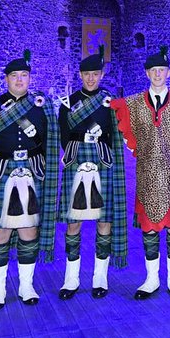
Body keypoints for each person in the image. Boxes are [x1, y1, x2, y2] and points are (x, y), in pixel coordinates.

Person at [0, 50, 60, 309]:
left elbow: (50, 141)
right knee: (0, 230)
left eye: (24, 75)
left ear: (30, 78)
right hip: (1, 171)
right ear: (6, 79)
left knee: (29, 229)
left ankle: (26, 285)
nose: (19, 80)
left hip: (32, 171)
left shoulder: (42, 107)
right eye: (14, 76)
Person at [111, 46, 170, 300]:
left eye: (162, 70)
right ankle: (151, 279)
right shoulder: (133, 103)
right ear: (147, 73)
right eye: (153, 70)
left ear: (168, 73)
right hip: (147, 174)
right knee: (149, 230)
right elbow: (128, 138)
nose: (158, 74)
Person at [57, 45, 130, 299]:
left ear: (101, 75)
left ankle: (100, 277)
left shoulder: (111, 102)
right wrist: (77, 151)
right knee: (73, 222)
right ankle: (71, 278)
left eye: (95, 74)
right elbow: (64, 137)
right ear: (80, 75)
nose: (90, 78)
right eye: (86, 74)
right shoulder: (68, 103)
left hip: (103, 161)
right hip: (77, 161)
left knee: (104, 221)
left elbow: (116, 135)